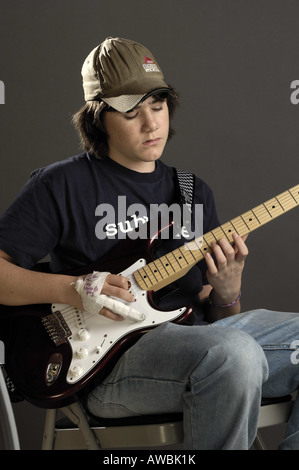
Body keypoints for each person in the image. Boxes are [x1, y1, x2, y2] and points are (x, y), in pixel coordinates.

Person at [0, 36, 298, 450]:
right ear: (97, 118)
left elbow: (213, 322)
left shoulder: (193, 192)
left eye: (157, 107)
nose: (151, 124)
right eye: (131, 113)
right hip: (110, 364)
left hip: (203, 350)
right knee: (235, 353)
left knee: (235, 350)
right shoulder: (61, 184)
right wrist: (72, 288)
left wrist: (228, 293)